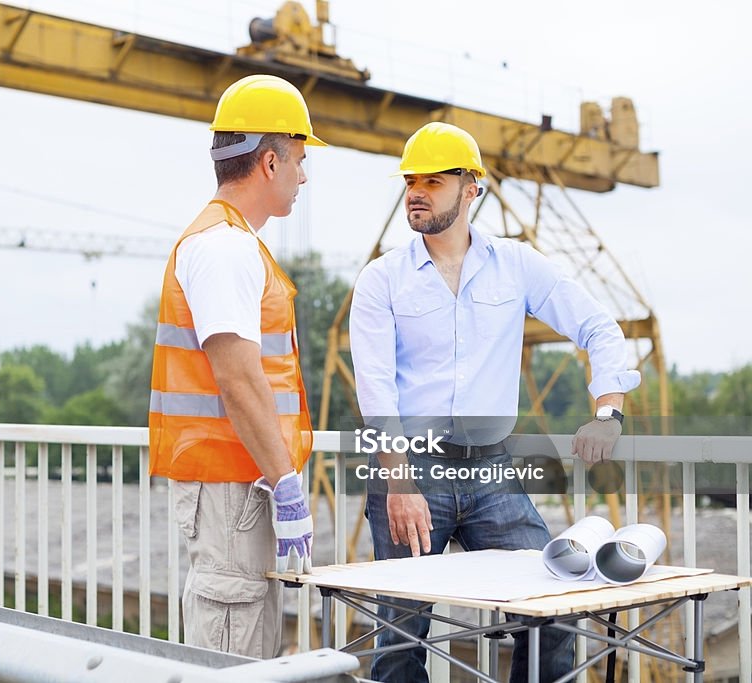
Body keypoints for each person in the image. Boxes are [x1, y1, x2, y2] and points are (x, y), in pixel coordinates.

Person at [349, 121, 641, 682]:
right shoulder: (381, 281)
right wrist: (399, 482)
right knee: (401, 636)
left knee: (556, 607)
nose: (415, 191)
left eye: (433, 181)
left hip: (492, 474)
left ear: (470, 189)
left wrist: (608, 414)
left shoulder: (517, 265)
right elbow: (376, 389)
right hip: (410, 468)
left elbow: (598, 327)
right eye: (411, 180)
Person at [148, 74, 325, 658]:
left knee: (252, 648)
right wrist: (287, 482)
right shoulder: (224, 247)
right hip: (233, 491)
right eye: (299, 159)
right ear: (269, 162)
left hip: (239, 489)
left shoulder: (233, 242)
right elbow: (238, 379)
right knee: (234, 658)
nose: (304, 175)